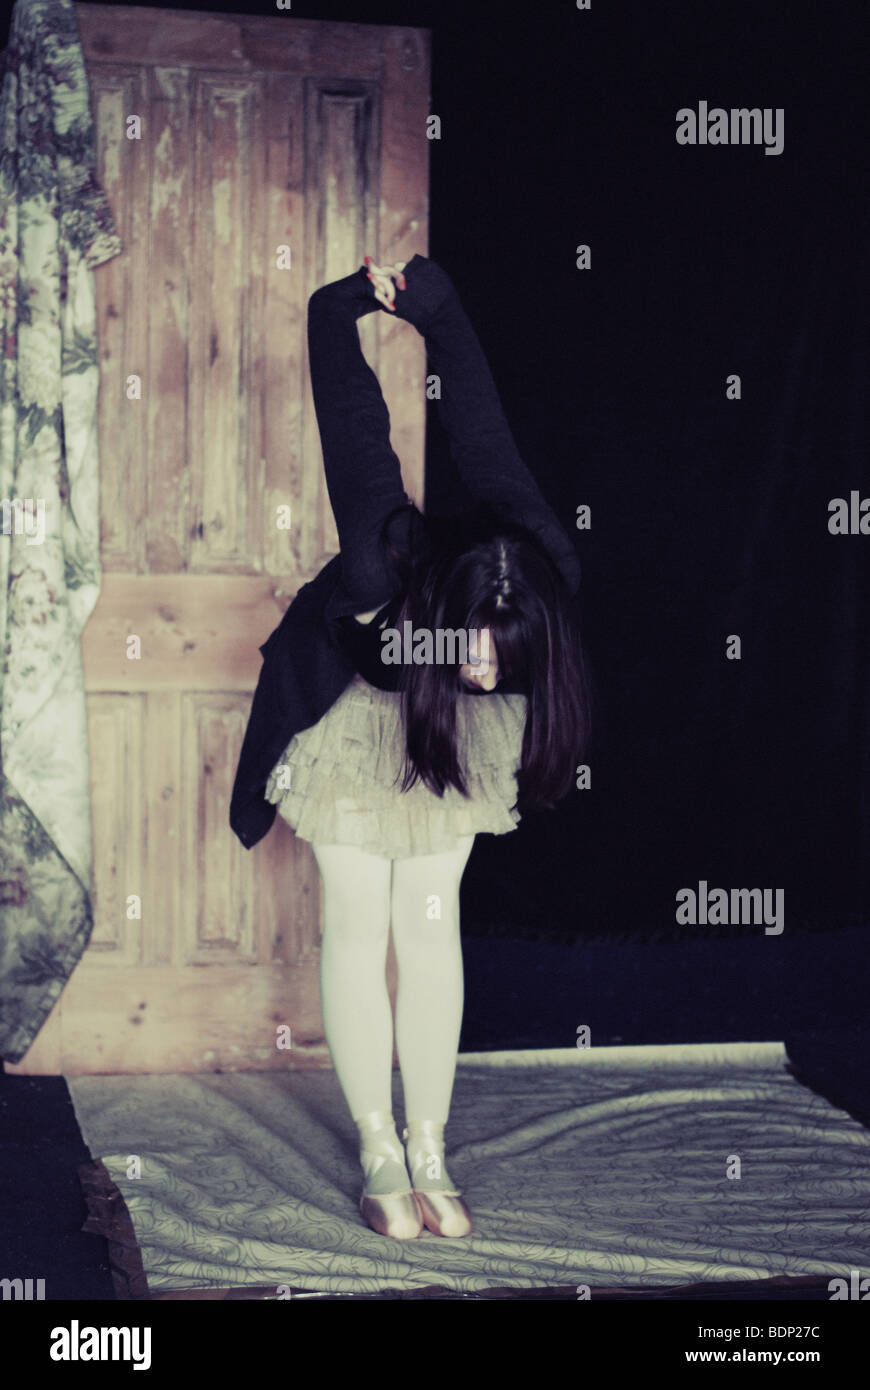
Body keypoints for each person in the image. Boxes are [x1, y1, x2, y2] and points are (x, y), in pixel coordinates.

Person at [250, 254, 592, 1240]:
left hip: (444, 731)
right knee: (361, 920)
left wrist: (435, 307)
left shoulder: (537, 568)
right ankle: (377, 1147)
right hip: (356, 702)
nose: (496, 674)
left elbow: (479, 424)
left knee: (429, 920)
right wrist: (346, 301)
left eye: (509, 663)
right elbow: (351, 410)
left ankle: (430, 1143)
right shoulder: (376, 554)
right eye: (477, 659)